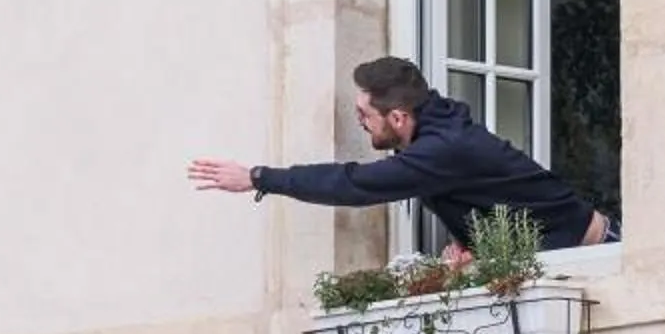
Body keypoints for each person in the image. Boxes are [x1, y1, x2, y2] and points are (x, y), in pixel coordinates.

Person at [188, 56, 612, 252]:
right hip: (570, 251)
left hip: (591, 254)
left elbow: (355, 185)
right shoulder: (437, 130)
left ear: (397, 117)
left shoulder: (443, 150)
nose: (360, 122)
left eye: (364, 114)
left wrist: (258, 177)